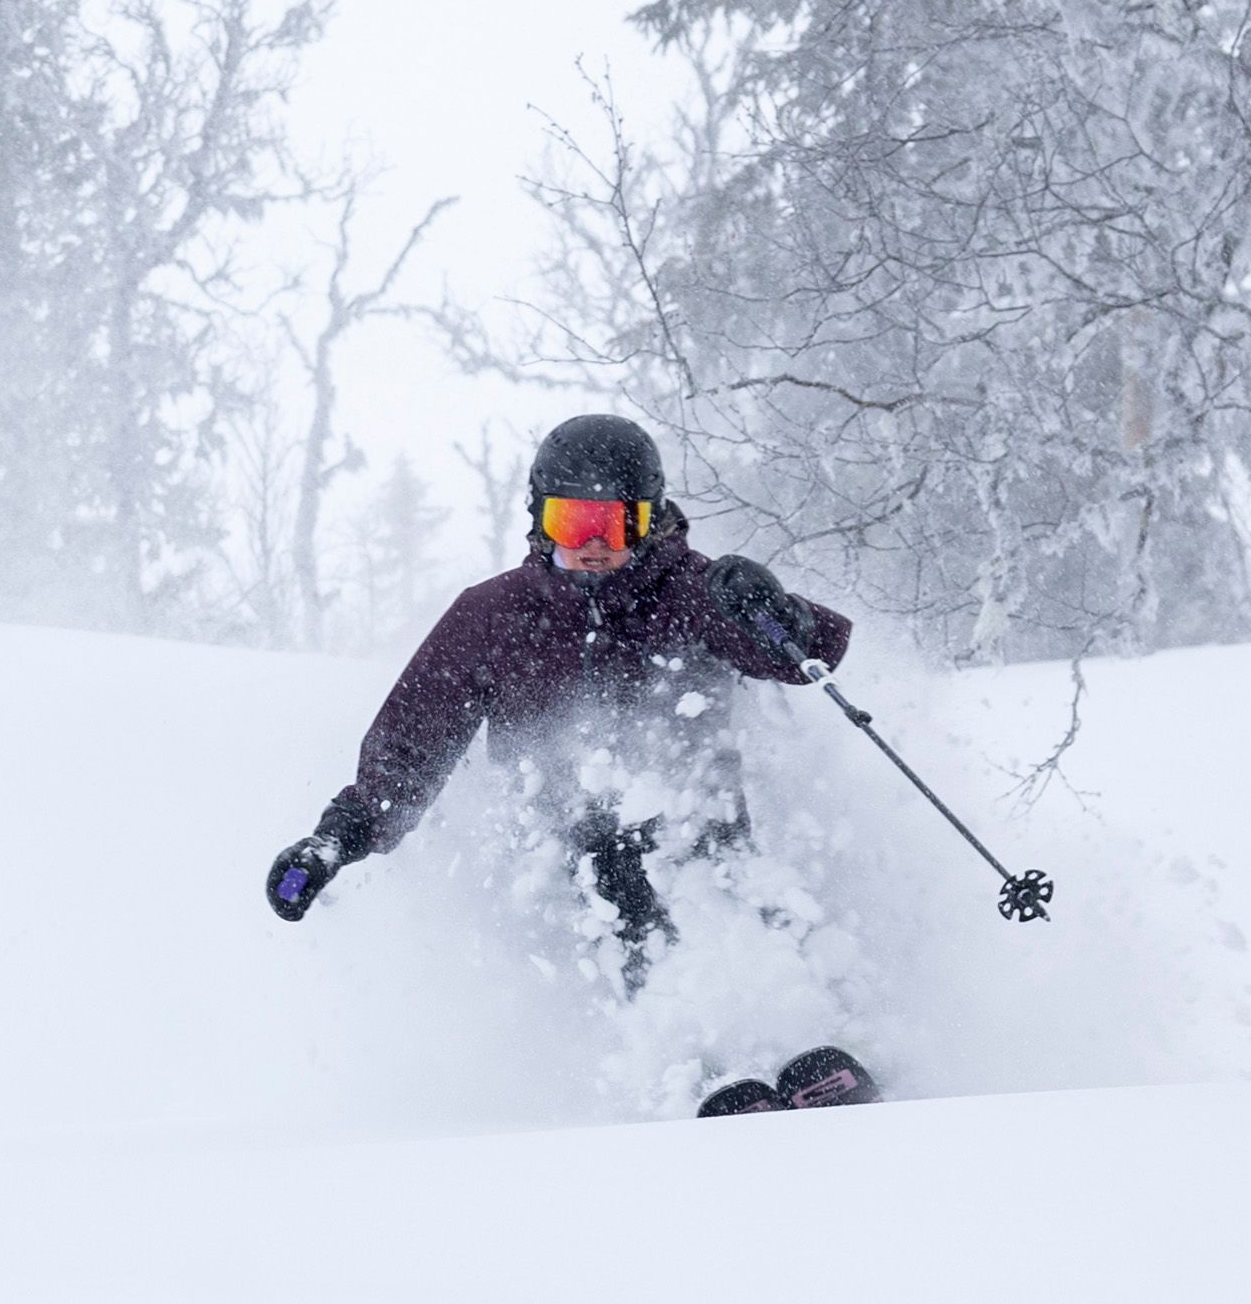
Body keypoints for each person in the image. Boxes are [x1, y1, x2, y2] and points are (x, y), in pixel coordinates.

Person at [261, 412, 849, 986]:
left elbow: (803, 656)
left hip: (700, 845)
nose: (592, 544)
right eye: (571, 522)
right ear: (540, 520)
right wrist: (336, 841)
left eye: (614, 525)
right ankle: (669, 1036)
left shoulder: (694, 594)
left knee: (746, 930)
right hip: (565, 875)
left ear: (649, 521)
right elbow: (413, 745)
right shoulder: (495, 616)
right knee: (606, 873)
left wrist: (778, 613)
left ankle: (807, 1014)